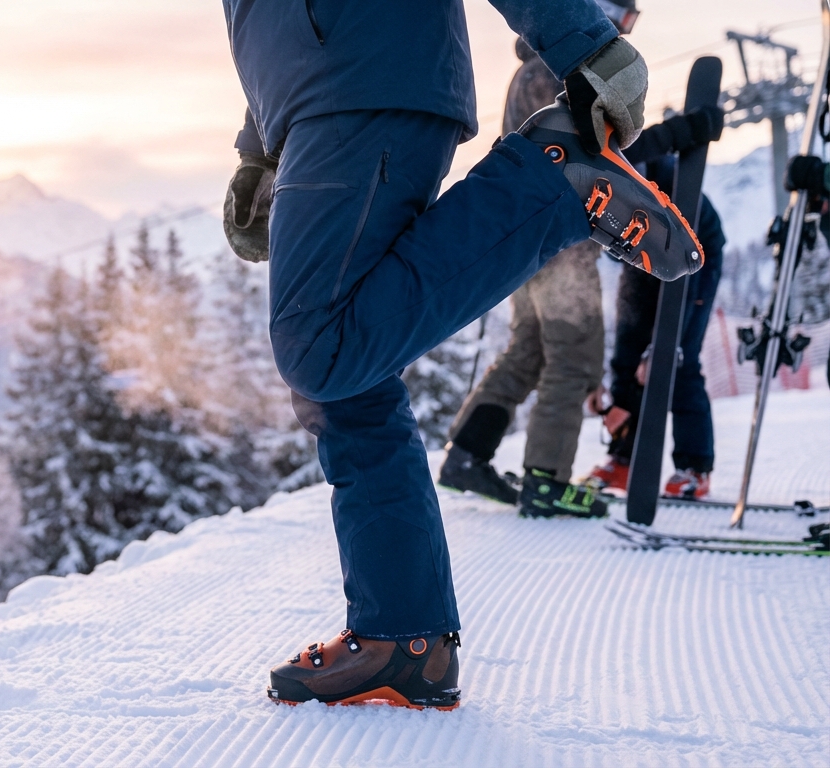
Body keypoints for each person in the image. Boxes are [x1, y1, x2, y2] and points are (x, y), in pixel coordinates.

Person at [219, 0, 703, 709]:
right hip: (325, 92)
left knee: (320, 349)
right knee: (347, 376)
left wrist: (583, 41)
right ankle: (403, 641)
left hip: (359, 79)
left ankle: (548, 182)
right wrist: (259, 144)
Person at [439, 1, 726, 516]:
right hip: (559, 244)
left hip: (529, 238)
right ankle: (547, 480)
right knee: (575, 357)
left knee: (528, 350)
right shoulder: (557, 69)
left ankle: (466, 453)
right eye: (624, 16)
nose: (624, 30)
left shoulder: (540, 67)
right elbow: (593, 154)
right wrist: (678, 134)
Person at [588, 158, 728, 498]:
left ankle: (694, 468)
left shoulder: (673, 181)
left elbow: (687, 266)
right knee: (626, 355)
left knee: (676, 362)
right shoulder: (593, 175)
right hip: (640, 257)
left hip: (695, 256)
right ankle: (624, 459)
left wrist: (664, 345)